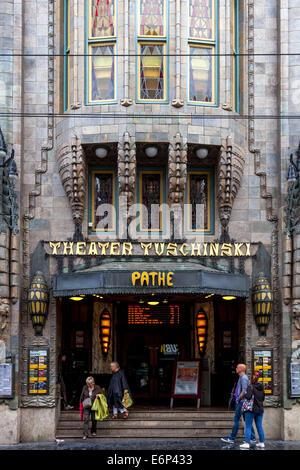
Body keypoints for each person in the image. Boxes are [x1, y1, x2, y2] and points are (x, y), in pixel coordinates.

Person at [221, 363, 256, 444]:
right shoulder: (242, 377)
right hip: (242, 402)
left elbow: (244, 391)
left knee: (236, 419)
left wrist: (238, 399)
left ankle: (232, 438)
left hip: (241, 402)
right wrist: (235, 394)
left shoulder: (243, 378)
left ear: (241, 369)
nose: (236, 368)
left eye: (237, 367)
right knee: (247, 421)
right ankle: (253, 438)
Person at [240, 372, 265, 449]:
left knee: (248, 426)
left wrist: (245, 393)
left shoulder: (250, 386)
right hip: (260, 409)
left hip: (251, 409)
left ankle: (247, 443)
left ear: (251, 379)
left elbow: (248, 397)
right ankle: (262, 442)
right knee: (259, 426)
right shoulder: (261, 388)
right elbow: (263, 398)